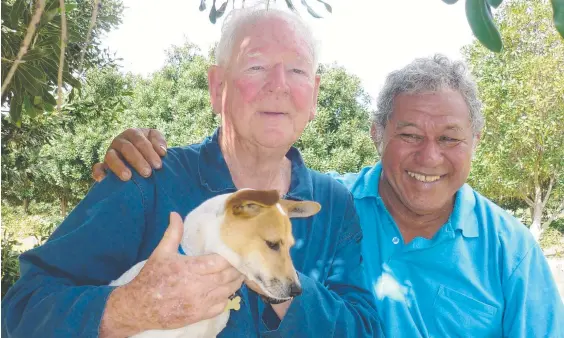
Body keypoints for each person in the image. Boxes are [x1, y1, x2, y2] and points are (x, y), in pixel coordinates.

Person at [96, 54, 564, 337]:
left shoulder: (512, 250)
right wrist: (138, 155)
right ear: (377, 133)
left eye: (450, 139)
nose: (429, 157)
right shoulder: (326, 206)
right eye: (409, 134)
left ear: (476, 142)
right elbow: (241, 177)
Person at [0, 6, 382, 338]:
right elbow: (22, 313)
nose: (279, 85)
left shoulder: (331, 203)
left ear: (314, 95)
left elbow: (365, 330)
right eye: (257, 66)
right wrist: (130, 308)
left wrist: (279, 281)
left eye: (297, 70)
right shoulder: (146, 179)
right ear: (217, 88)